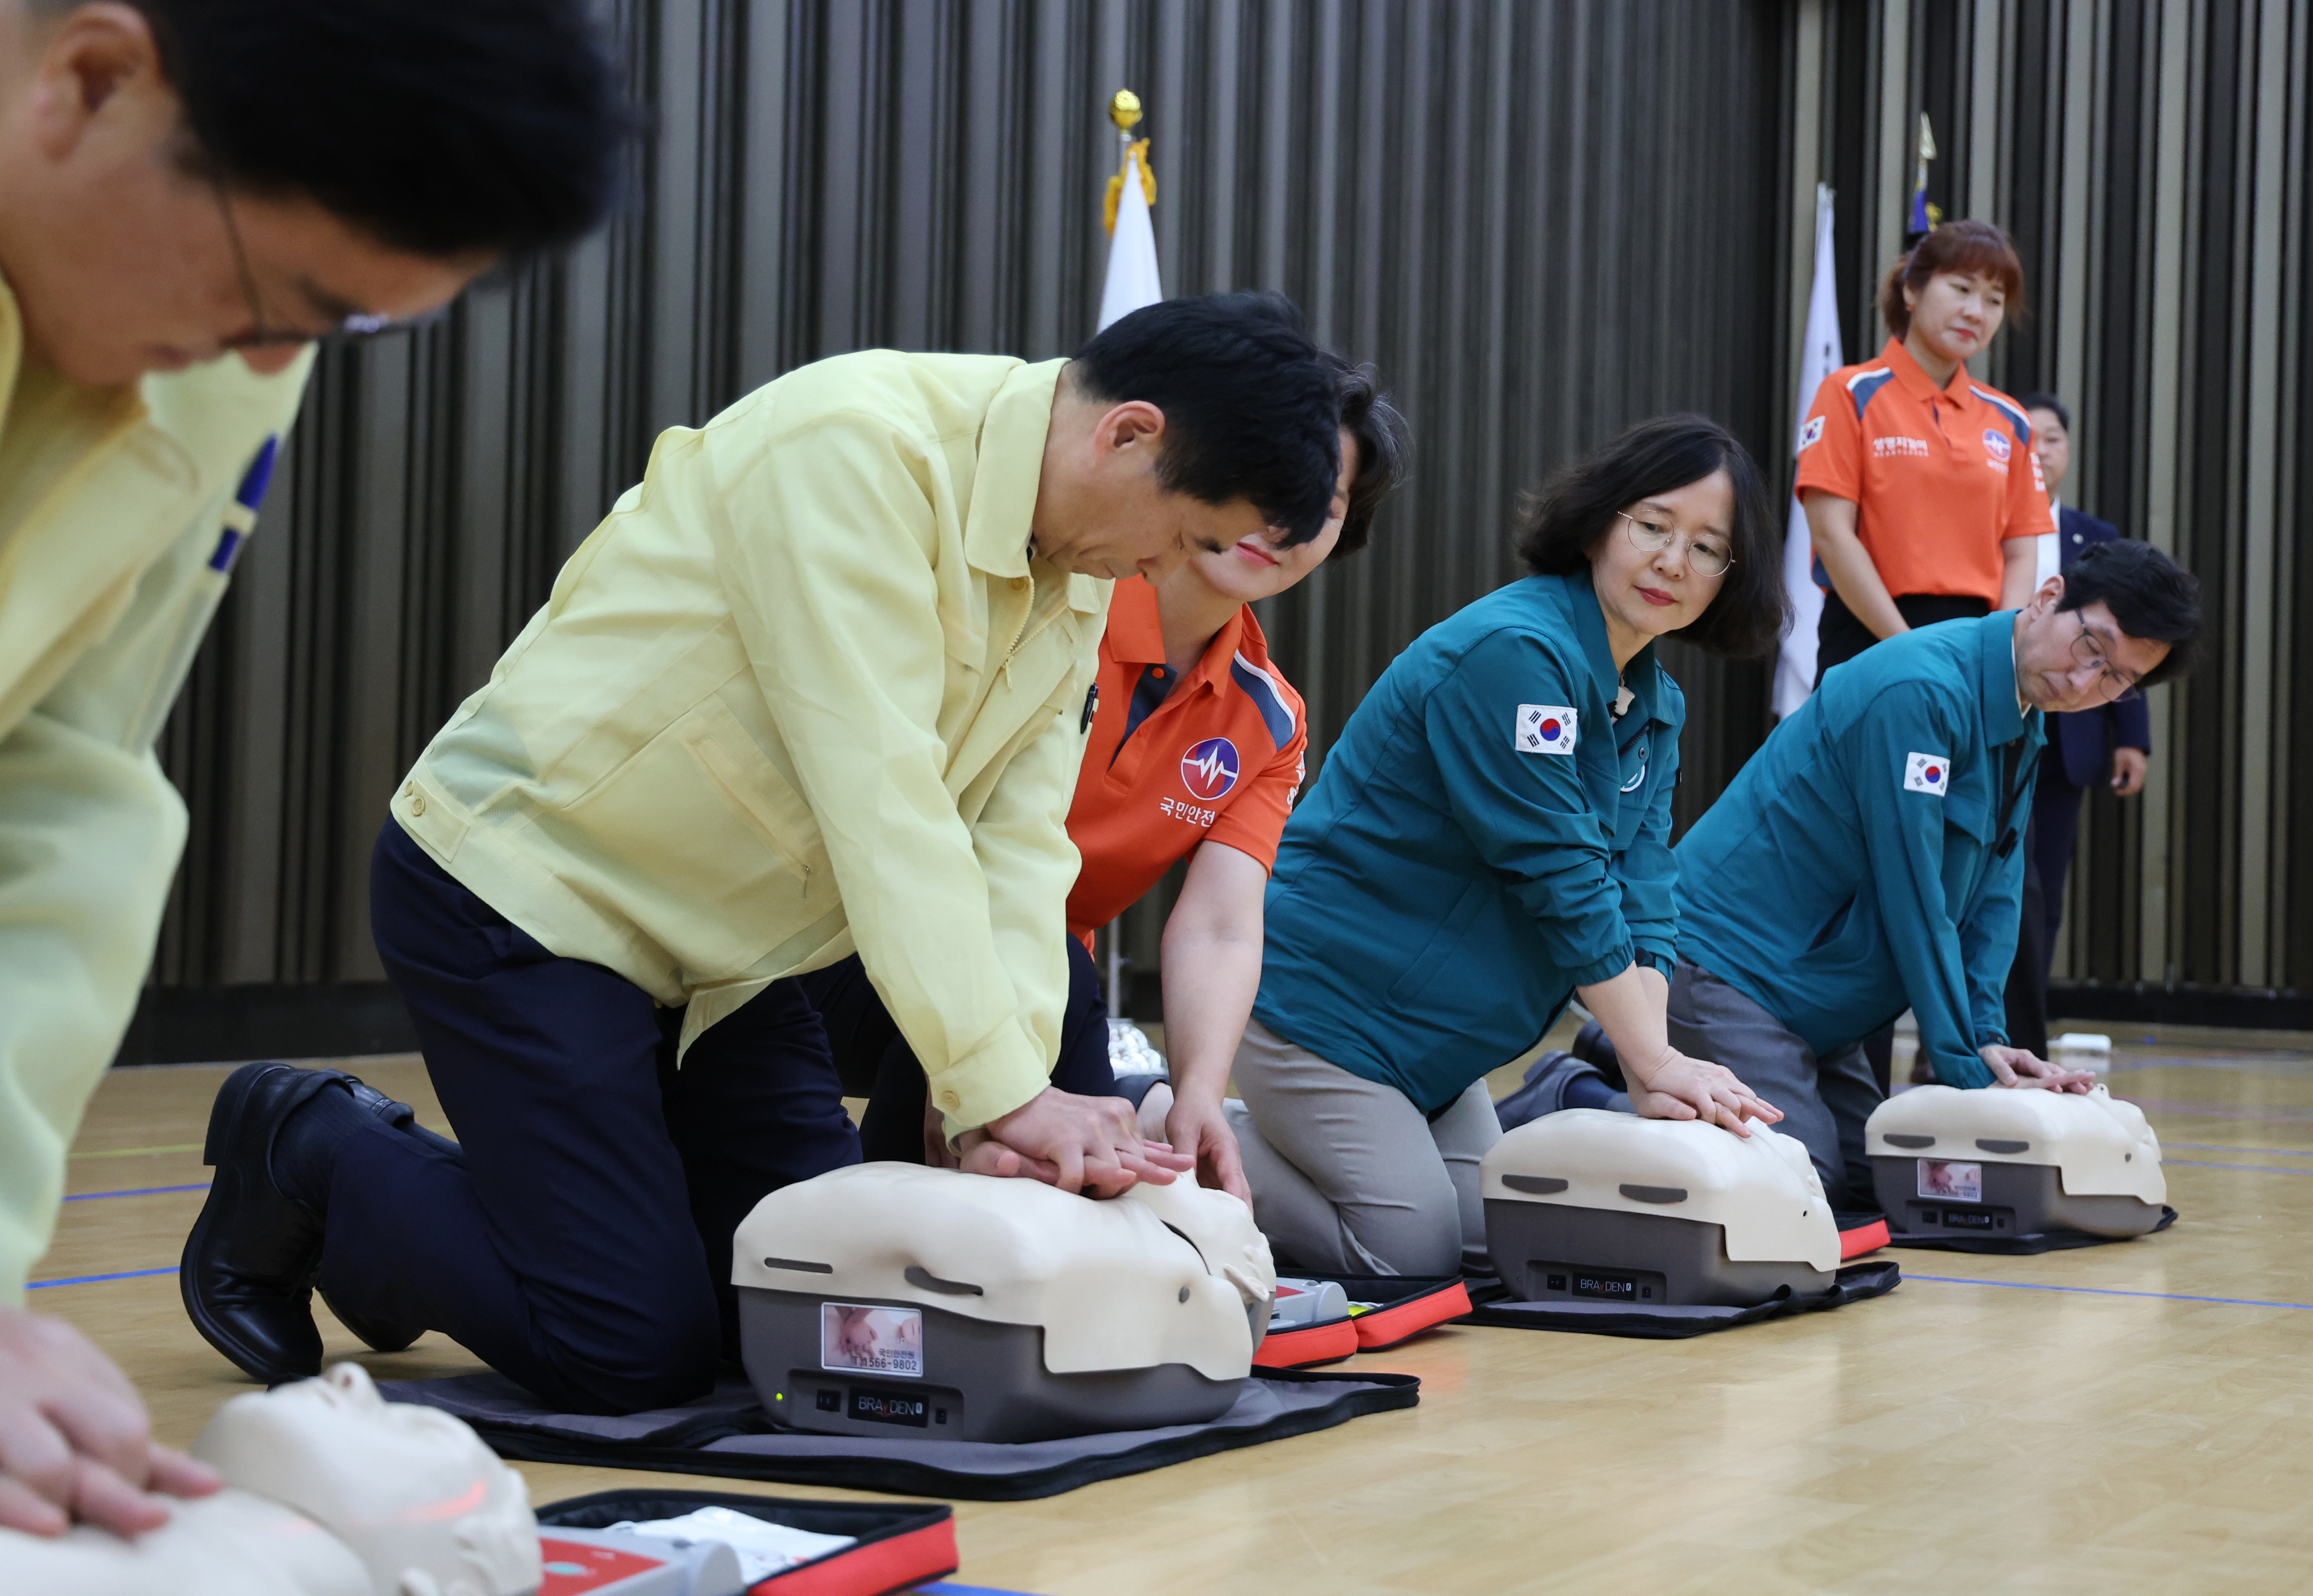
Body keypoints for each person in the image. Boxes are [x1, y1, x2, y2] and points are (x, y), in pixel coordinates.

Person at [181, 293, 1346, 1415]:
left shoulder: (1073, 574)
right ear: (1129, 434)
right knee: (628, 1348)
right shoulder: (857, 451)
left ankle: (482, 1236)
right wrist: (999, 1087)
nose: (1165, 574)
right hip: (539, 900)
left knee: (799, 1299)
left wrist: (1004, 1096)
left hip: (734, 960)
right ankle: (309, 1147)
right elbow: (885, 803)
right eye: (1188, 539)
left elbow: (1017, 847)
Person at [0, 0, 627, 1539]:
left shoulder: (223, 344)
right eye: (273, 296)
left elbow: (64, 775)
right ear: (86, 81)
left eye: (342, 328)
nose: (270, 360)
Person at [813, 358, 1409, 1201]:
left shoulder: (1270, 718)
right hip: (851, 944)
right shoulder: (1050, 599)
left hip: (1040, 995)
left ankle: (1115, 1112)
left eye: (1322, 502)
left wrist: (1201, 1094)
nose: (1281, 516)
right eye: (1267, 476)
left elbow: (1220, 927)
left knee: (1100, 1151)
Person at [1228, 415, 1791, 1278]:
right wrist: (1653, 1055)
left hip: (1438, 1055)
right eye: (1653, 526)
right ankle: (1175, 1129)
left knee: (1498, 1243)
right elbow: (1560, 874)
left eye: (1708, 547)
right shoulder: (1515, 654)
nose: (1674, 563)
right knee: (1407, 1254)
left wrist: (1653, 1069)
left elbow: (1642, 895)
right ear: (1601, 521)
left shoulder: (1654, 703)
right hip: (1325, 1018)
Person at [1668, 541, 2202, 1212]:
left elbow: (1997, 891)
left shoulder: (2023, 716)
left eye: (2117, 680)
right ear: (2047, 597)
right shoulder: (1922, 690)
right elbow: (1913, 889)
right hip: (1724, 970)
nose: (2084, 681)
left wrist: (1988, 1040)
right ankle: (1596, 1080)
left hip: (1806, 1002)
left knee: (1891, 1180)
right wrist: (1965, 1069)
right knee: (1798, 1185)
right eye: (2091, 646)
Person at [1801, 219, 2052, 679]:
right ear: (1911, 292)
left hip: (1974, 650)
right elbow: (1832, 536)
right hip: (1868, 638)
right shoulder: (1849, 392)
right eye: (1961, 288)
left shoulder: (2010, 420)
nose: (1976, 312)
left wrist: (1997, 651)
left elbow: (2020, 553)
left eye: (1994, 300)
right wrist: (1907, 647)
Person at [2008, 393, 2149, 990]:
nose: (2040, 449)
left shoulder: (2096, 537)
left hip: (2071, 740)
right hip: (2001, 723)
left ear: (2068, 451)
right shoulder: (1988, 523)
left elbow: (2128, 642)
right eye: (2028, 437)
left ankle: (2024, 1026)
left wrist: (2132, 740)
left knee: (2045, 883)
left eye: (2053, 438)